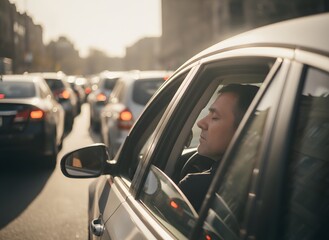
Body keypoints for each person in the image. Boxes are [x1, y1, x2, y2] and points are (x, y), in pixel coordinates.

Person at [178, 84, 259, 212]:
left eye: (214, 117)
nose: (201, 123)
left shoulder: (196, 189)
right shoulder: (265, 181)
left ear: (244, 131)